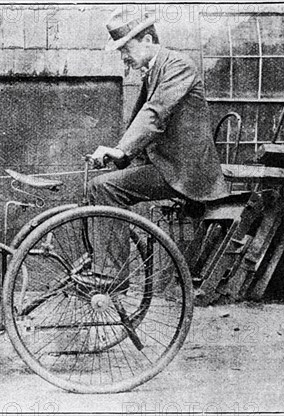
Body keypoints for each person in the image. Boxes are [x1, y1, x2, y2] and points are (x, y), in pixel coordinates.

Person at [86, 8, 228, 283]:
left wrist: (121, 150)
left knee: (105, 187)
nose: (124, 58)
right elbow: (144, 122)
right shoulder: (154, 72)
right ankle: (103, 264)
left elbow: (155, 112)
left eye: (125, 49)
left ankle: (111, 276)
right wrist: (119, 156)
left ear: (148, 41)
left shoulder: (178, 66)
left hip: (186, 172)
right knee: (98, 185)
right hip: (167, 166)